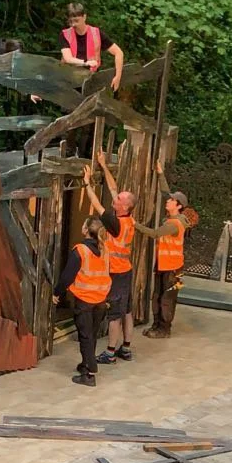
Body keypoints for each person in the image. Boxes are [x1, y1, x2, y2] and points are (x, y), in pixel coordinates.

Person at [54, 186, 119, 387]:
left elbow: (67, 276)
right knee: (90, 334)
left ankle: (89, 374)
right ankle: (85, 364)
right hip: (100, 300)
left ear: (85, 230)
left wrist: (57, 293)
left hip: (84, 300)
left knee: (85, 336)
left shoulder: (80, 251)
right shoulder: (104, 249)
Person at [134, 160, 189, 339]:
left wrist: (134, 224)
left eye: (172, 200)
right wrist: (159, 173)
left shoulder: (175, 223)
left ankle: (164, 329)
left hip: (173, 268)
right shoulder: (174, 216)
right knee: (157, 296)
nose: (168, 200)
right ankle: (156, 326)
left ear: (178, 205)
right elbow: (165, 193)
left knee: (166, 299)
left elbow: (155, 233)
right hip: (165, 265)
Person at [94, 150, 136, 363]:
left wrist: (87, 185)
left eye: (119, 199)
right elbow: (113, 188)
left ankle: (110, 352)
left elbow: (99, 208)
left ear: (124, 206)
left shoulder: (117, 224)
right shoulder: (128, 218)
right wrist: (103, 165)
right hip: (126, 270)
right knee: (127, 310)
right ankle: (126, 348)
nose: (116, 197)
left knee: (115, 315)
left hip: (117, 272)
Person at [60, 2, 124, 92]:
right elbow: (68, 58)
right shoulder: (65, 34)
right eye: (71, 21)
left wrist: (117, 76)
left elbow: (118, 53)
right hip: (70, 80)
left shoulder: (96, 33)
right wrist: (86, 63)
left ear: (84, 17)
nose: (73, 24)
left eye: (76, 21)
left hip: (91, 81)